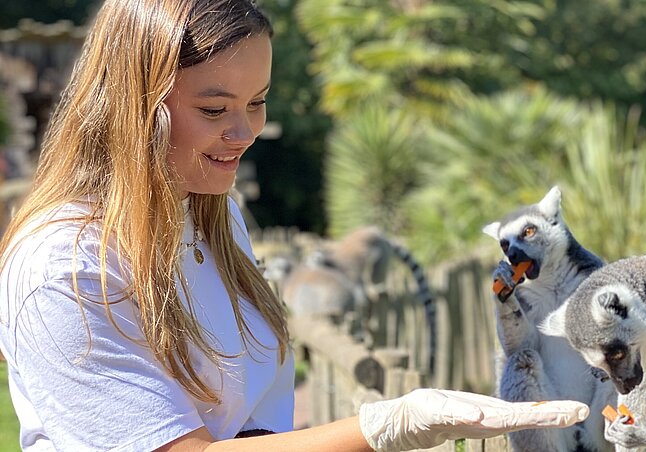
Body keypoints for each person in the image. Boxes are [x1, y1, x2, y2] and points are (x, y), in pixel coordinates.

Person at [0, 0, 590, 450]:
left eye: (258, 100)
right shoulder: (65, 270)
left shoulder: (209, 209)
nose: (246, 130)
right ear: (132, 108)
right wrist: (384, 426)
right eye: (214, 109)